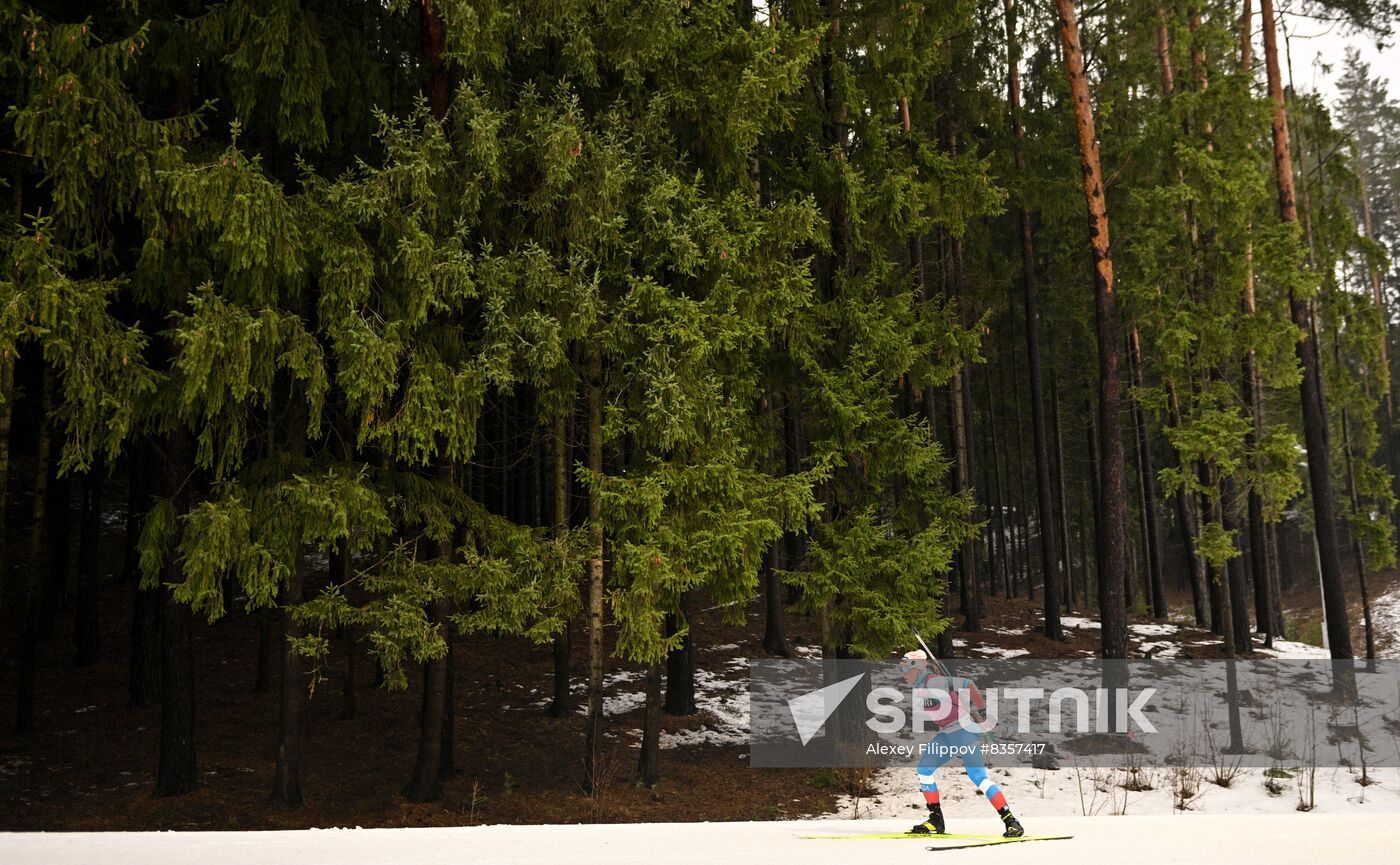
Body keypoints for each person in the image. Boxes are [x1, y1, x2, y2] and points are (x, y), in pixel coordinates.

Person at [899, 649, 1024, 837]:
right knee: (924, 769)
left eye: (906, 669)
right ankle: (936, 821)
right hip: (947, 734)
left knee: (979, 778)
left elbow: (968, 684)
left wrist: (981, 710)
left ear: (917, 668)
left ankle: (1011, 822)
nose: (903, 674)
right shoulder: (920, 685)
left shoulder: (934, 680)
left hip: (963, 731)